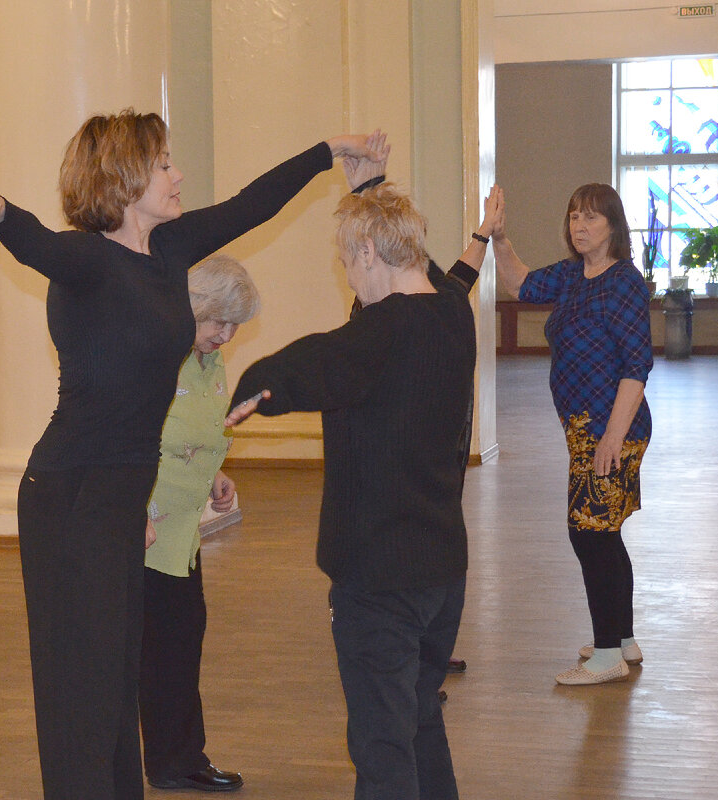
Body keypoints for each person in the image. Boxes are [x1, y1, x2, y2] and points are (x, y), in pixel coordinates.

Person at [0, 109, 382, 800]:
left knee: (115, 672)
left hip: (122, 492)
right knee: (83, 683)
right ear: (125, 177)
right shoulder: (88, 261)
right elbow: (33, 238)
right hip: (70, 492)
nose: (177, 173)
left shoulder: (168, 251)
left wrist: (327, 152)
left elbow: (250, 206)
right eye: (163, 163)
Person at [225, 175, 501, 799]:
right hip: (441, 572)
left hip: (381, 579)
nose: (349, 276)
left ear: (370, 253)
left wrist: (254, 387)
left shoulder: (380, 334)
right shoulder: (453, 315)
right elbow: (445, 277)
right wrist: (377, 192)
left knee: (381, 744)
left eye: (349, 260)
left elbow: (314, 362)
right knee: (420, 716)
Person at [488, 183, 653, 686]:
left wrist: (610, 438)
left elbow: (636, 366)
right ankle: (621, 638)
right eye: (574, 217)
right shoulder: (573, 274)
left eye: (592, 219)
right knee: (603, 533)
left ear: (614, 227)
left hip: (610, 429)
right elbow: (521, 284)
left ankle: (606, 655)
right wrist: (497, 236)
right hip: (584, 429)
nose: (580, 227)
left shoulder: (623, 281)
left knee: (590, 533)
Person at [140, 255, 259, 793]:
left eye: (234, 325)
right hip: (142, 533)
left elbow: (195, 431)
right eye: (219, 321)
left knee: (181, 646)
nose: (226, 334)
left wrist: (215, 473)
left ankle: (183, 757)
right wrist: (132, 507)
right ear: (193, 308)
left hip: (181, 533)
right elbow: (128, 437)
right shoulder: (154, 358)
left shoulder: (210, 366)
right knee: (158, 652)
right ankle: (165, 762)